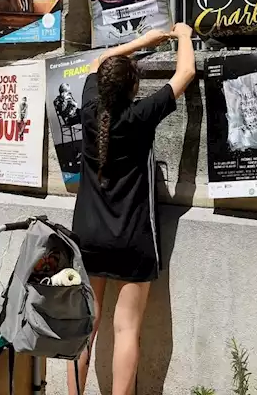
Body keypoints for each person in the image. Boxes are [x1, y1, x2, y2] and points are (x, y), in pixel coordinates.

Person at [68, 23, 196, 395]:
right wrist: (181, 35)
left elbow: (98, 61)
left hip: (87, 236)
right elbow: (185, 72)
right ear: (133, 88)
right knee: (126, 329)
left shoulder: (91, 109)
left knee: (84, 328)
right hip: (132, 238)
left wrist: (142, 41)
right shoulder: (140, 116)